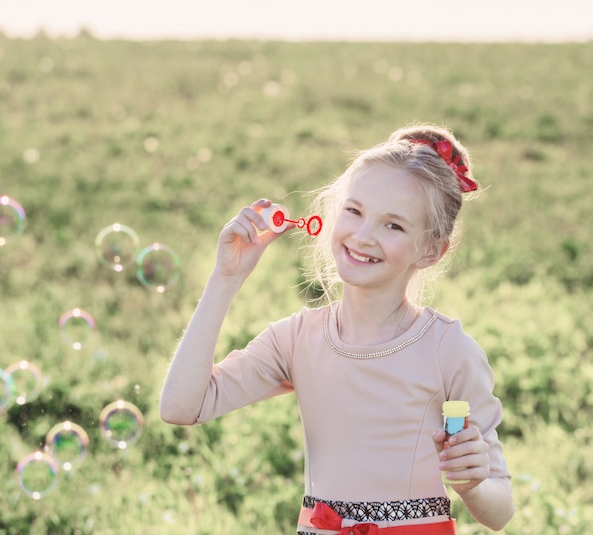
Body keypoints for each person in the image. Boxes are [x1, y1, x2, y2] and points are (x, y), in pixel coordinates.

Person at [159, 123, 514, 534]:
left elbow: (500, 511)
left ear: (431, 250)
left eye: (393, 225)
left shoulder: (448, 350)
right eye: (354, 211)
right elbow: (182, 407)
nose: (363, 236)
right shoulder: (296, 340)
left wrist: (472, 486)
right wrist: (225, 279)